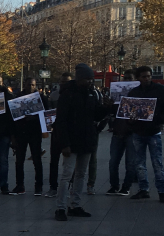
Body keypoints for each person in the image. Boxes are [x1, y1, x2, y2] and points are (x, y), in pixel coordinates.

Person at [54, 63, 108, 221]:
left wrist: (106, 108)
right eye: (87, 79)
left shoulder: (92, 93)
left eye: (92, 79)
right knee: (67, 175)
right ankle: (60, 207)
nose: (91, 82)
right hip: (71, 139)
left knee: (81, 174)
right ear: (79, 79)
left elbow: (95, 116)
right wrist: (64, 144)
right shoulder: (68, 94)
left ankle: (75, 204)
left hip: (86, 139)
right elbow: (61, 121)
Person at [128, 65, 164, 201]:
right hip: (138, 130)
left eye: (149, 76)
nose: (147, 79)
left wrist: (159, 120)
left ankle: (161, 190)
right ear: (138, 78)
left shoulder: (160, 90)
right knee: (139, 163)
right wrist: (131, 121)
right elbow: (129, 112)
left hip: (153, 130)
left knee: (157, 162)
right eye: (144, 77)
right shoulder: (134, 92)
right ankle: (144, 189)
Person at [11, 77, 49, 196]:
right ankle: (20, 185)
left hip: (35, 132)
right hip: (21, 133)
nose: (31, 87)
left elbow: (46, 114)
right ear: (24, 85)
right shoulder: (17, 98)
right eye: (29, 85)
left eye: (33, 85)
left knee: (37, 160)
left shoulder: (41, 98)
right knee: (19, 160)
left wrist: (35, 118)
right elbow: (12, 117)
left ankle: (38, 186)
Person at [107, 70, 137, 196]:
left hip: (131, 132)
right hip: (118, 131)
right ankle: (114, 186)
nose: (127, 81)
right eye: (126, 78)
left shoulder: (138, 93)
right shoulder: (117, 95)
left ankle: (126, 186)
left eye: (130, 78)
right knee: (113, 162)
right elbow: (111, 112)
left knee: (130, 163)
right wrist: (108, 105)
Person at [46, 72, 73, 197]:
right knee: (54, 161)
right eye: (61, 81)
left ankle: (70, 185)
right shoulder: (54, 95)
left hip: (69, 132)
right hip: (56, 132)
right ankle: (53, 186)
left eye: (66, 81)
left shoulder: (74, 96)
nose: (63, 84)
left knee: (70, 162)